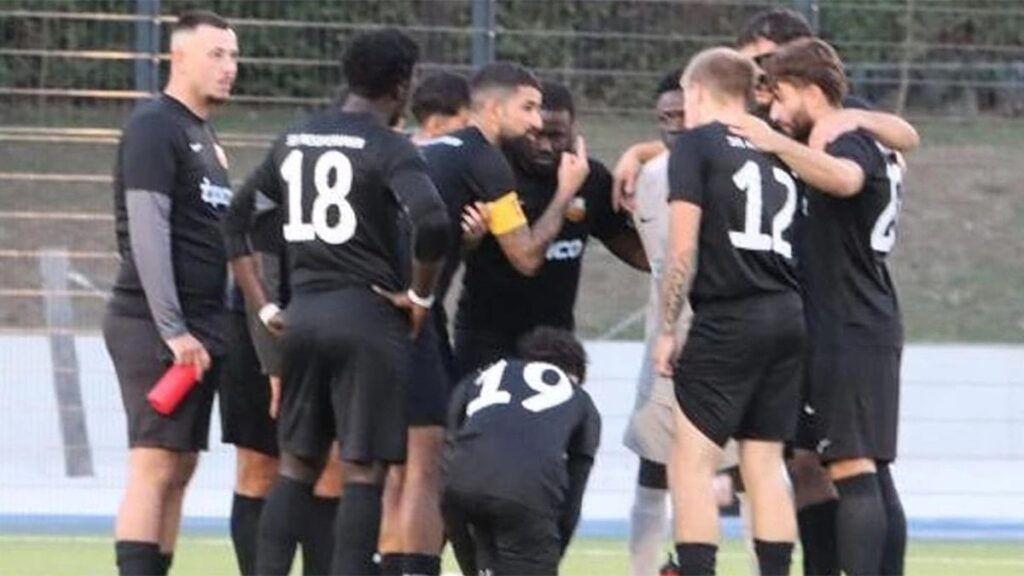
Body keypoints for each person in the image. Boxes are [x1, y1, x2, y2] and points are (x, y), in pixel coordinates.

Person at [223, 29, 450, 575]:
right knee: (362, 472)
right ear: (402, 85)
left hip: (302, 317)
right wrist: (419, 295)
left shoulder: (295, 138)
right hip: (369, 321)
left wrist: (265, 307)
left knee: (296, 466)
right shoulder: (389, 147)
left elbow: (236, 219)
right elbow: (434, 222)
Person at [730, 38, 907, 576]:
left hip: (851, 323)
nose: (775, 114)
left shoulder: (845, 136)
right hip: (830, 321)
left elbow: (848, 179)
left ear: (810, 91)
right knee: (818, 462)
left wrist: (773, 142)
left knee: (856, 468)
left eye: (781, 98)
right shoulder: (849, 127)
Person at [652, 47, 804, 576]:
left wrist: (669, 328)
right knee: (764, 462)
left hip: (730, 313)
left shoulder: (695, 145)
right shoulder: (781, 149)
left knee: (690, 461)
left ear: (695, 92)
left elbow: (682, 249)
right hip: (788, 312)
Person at [103, 10, 237, 575]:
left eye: (233, 56)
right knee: (154, 462)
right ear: (177, 58)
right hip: (156, 324)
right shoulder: (156, 127)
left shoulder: (202, 134)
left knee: (180, 466)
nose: (229, 68)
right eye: (216, 55)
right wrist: (172, 327)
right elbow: (147, 229)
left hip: (199, 326)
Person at [610, 7, 918, 213]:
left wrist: (862, 119)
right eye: (747, 66)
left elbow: (906, 137)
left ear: (799, 54)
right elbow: (713, 141)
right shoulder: (766, 118)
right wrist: (640, 152)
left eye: (764, 61)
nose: (757, 75)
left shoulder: (837, 115)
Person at [452, 80, 648, 378]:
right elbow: (465, 252)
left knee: (559, 423)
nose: (545, 145)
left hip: (556, 342)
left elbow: (637, 253)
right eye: (535, 134)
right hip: (486, 337)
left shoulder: (591, 179)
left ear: (574, 131)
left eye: (556, 136)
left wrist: (658, 223)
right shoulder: (494, 174)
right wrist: (469, 241)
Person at [419, 62, 591, 375]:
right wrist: (566, 192)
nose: (536, 121)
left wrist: (466, 243)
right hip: (412, 314)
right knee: (429, 423)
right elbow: (526, 258)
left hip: (387, 305)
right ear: (496, 109)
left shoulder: (435, 149)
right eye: (528, 108)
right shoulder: (486, 161)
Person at [377, 71, 472, 576]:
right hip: (411, 322)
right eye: (466, 122)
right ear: (439, 122)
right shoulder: (423, 167)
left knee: (392, 471)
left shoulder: (392, 159)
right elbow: (426, 238)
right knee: (422, 464)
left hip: (381, 324)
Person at [221, 198, 344, 574]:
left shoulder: (369, 164)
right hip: (256, 330)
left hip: (334, 328)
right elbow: (256, 266)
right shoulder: (276, 180)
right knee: (260, 466)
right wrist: (274, 362)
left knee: (332, 470)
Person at [442, 327, 601, 576]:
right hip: (524, 493)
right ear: (577, 372)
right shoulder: (581, 400)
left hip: (460, 487)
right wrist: (548, 557)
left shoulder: (483, 376)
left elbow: (450, 439)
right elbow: (573, 498)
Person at [409, 71, 471, 144]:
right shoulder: (454, 147)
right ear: (436, 124)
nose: (470, 128)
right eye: (464, 122)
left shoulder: (402, 148)